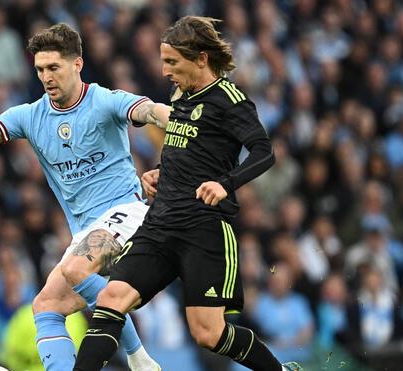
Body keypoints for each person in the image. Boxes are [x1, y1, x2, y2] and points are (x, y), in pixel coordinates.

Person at [0, 23, 169, 371]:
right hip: (84, 230)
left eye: (53, 67)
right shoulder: (29, 116)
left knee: (74, 268)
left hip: (127, 212)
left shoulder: (104, 101)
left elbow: (148, 110)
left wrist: (174, 118)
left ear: (77, 64)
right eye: (40, 69)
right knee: (46, 306)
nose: (46, 77)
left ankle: (138, 358)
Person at [73, 17, 303, 371]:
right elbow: (193, 151)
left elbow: (263, 151)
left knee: (208, 334)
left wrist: (226, 183)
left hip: (204, 228)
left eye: (172, 62)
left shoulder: (230, 100)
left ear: (201, 59)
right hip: (161, 222)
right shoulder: (181, 95)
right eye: (164, 61)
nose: (165, 71)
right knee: (110, 297)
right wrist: (162, 174)